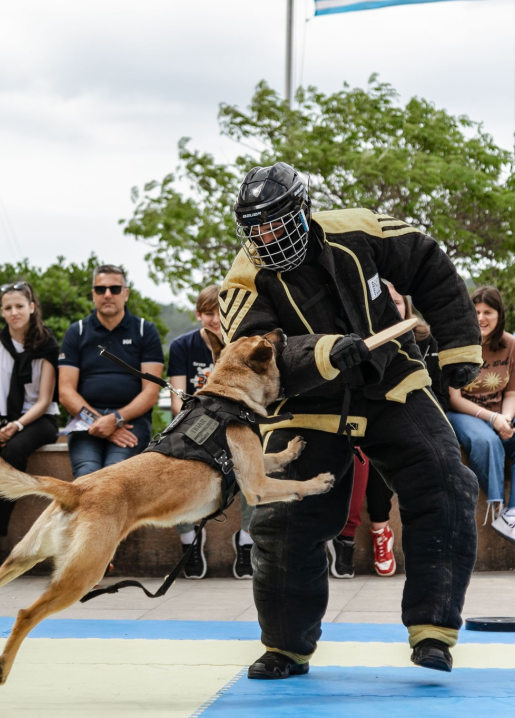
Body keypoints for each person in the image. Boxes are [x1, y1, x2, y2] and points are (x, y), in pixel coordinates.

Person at [223, 162, 484, 679]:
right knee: (283, 521)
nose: (268, 237)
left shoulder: (357, 228)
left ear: (303, 211)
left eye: (278, 224)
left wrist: (458, 346)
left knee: (447, 480)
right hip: (305, 399)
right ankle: (286, 647)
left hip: (391, 379)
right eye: (257, 230)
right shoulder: (242, 281)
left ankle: (433, 631)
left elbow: (430, 265)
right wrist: (319, 352)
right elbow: (249, 352)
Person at [445, 286, 515, 551]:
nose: (481, 318)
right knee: (486, 441)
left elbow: (513, 393)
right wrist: (492, 419)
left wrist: (505, 419)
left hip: (500, 408)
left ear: (499, 315)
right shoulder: (456, 343)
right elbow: (454, 398)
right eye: (476, 311)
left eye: (488, 312)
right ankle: (498, 509)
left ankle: (514, 514)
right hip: (464, 411)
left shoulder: (511, 345)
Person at [0, 281, 59, 577]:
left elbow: (44, 400)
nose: (14, 312)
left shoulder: (47, 345)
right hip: (0, 418)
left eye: (19, 306)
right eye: (8, 308)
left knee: (15, 450)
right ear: (2, 312)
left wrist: (16, 426)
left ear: (31, 308)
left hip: (37, 419)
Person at [329, 283, 418, 579]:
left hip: (402, 415)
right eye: (386, 303)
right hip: (355, 419)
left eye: (398, 303)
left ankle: (381, 530)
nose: (393, 310)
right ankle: (346, 537)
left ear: (407, 308)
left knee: (387, 451)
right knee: (361, 457)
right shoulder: (357, 342)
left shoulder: (422, 342)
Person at [168, 285, 256, 580]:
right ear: (199, 315)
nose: (215, 319)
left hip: (236, 422)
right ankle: (188, 540)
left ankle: (246, 541)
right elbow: (176, 401)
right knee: (172, 472)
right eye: (208, 313)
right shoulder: (183, 346)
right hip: (195, 423)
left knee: (253, 466)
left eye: (220, 312)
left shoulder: (242, 346)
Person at [59, 265, 162, 482]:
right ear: (93, 294)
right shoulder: (76, 332)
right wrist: (101, 422)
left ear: (126, 293)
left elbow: (151, 392)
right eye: (100, 289)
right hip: (85, 421)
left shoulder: (145, 331)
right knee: (86, 477)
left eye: (115, 289)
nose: (107, 294)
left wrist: (115, 419)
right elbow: (65, 392)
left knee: (115, 478)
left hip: (131, 421)